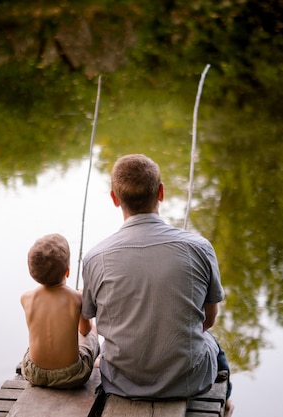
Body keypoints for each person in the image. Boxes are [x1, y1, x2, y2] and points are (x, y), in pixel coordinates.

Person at [82, 154, 233, 415]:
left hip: (121, 380)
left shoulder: (95, 257)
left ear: (115, 199)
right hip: (188, 378)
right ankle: (227, 403)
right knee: (215, 346)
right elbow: (208, 320)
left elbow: (90, 318)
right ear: (161, 192)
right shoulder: (200, 247)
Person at [20, 233, 100, 389]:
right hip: (72, 375)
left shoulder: (26, 298)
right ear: (67, 271)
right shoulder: (77, 299)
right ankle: (97, 361)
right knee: (92, 333)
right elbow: (84, 330)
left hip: (35, 374)